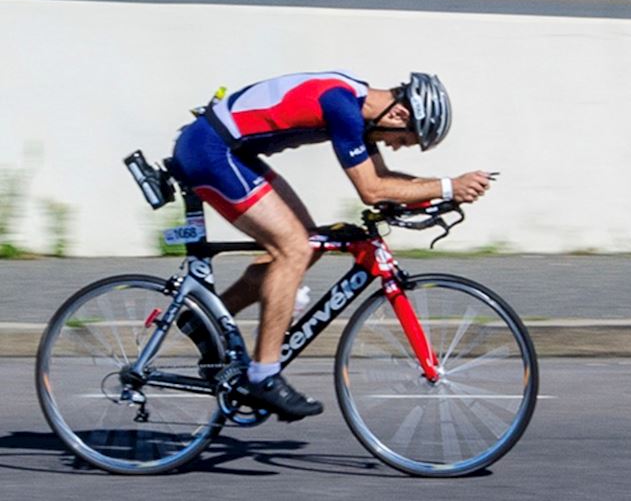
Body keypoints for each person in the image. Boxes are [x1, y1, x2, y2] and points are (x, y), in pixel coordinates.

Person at [169, 71, 492, 422]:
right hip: (212, 150)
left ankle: (205, 322)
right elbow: (372, 190)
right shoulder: (342, 106)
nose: (397, 146)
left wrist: (444, 191)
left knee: (305, 240)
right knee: (293, 247)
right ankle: (263, 376)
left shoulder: (359, 108)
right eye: (406, 139)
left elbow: (383, 180)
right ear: (399, 115)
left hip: (230, 150)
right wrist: (447, 187)